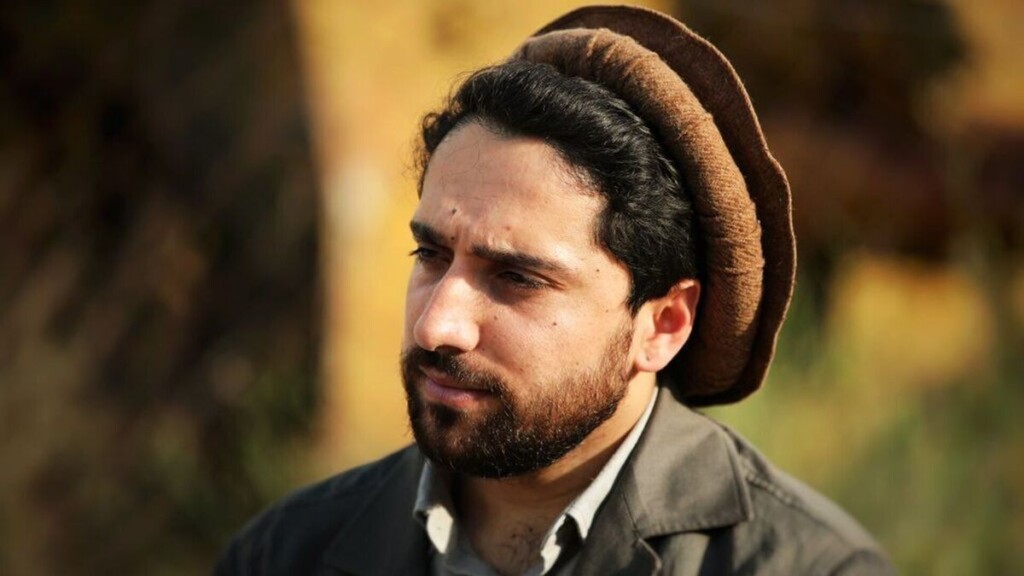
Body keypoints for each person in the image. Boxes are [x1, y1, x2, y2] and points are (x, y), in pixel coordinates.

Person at [217, 6, 894, 575]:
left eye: (517, 278)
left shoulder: (805, 566)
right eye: (431, 255)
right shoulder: (285, 552)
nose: (436, 326)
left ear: (663, 324)